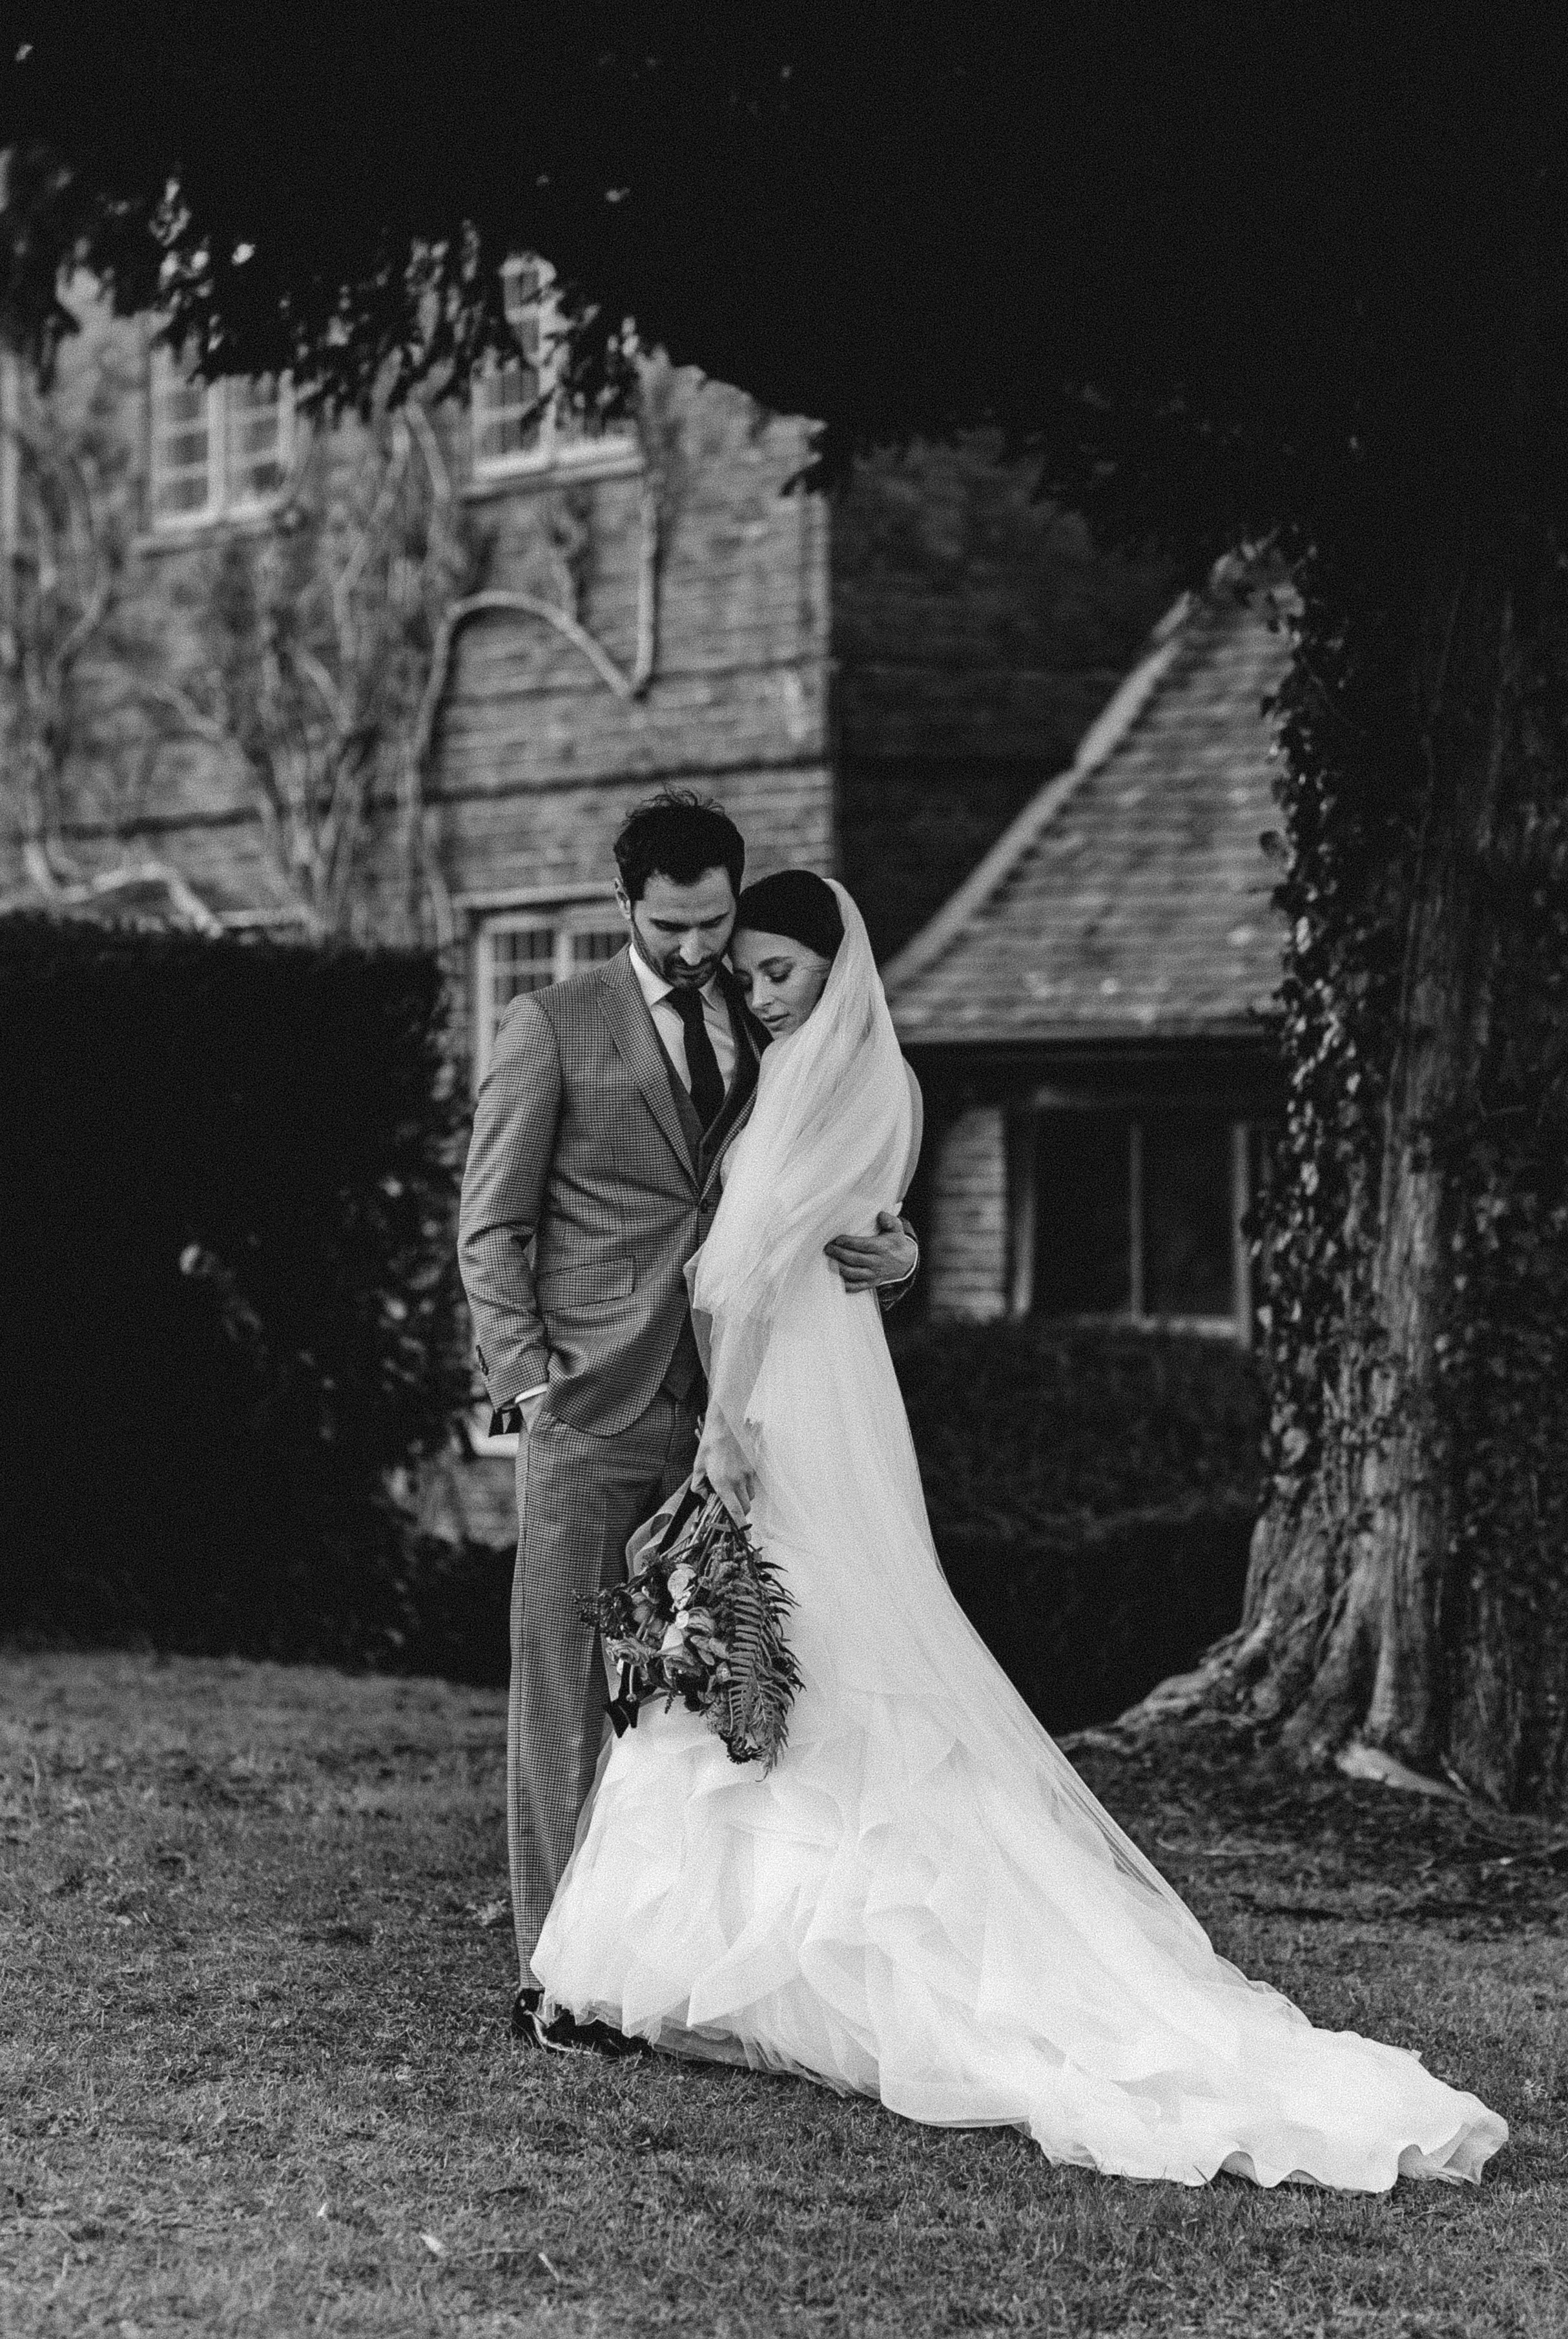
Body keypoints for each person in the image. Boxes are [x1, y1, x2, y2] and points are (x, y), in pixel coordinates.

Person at [531, 870, 1509, 2191]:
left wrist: (733, 1425)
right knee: (765, 1649)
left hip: (785, 1395)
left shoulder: (843, 1077)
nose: (757, 992)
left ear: (834, 968)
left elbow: (760, 1263)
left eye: (778, 973)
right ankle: (726, 1971)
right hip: (771, 1378)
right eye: (745, 972)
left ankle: (800, 1975)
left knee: (797, 1640)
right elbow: (797, 1236)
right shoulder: (777, 1062)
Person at [457, 799, 919, 2049]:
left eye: (716, 920)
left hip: (738, 1408)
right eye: (672, 926)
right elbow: (490, 1224)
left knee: (705, 1690)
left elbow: (820, 1164)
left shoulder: (767, 1017)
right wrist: (529, 1377)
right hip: (592, 1407)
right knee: (564, 1681)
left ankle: (673, 1959)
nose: (699, 946)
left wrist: (898, 1243)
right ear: (626, 907)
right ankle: (556, 1969)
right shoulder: (550, 1025)